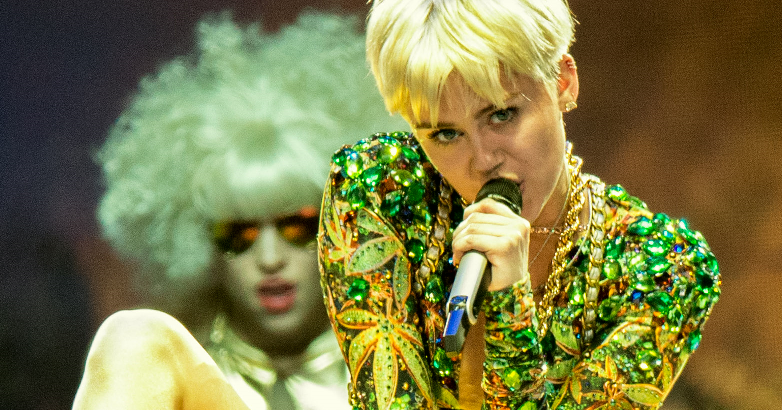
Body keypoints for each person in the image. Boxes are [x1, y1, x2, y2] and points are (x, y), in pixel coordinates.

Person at [317, 0, 722, 409]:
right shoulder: (380, 188)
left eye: (501, 114)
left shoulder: (664, 267)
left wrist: (509, 301)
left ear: (563, 82)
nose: (483, 160)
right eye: (445, 134)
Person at [72, 11, 405, 410]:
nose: (270, 259)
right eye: (240, 234)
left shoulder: (402, 377)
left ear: (346, 228)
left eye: (297, 226)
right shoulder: (163, 383)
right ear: (199, 245)